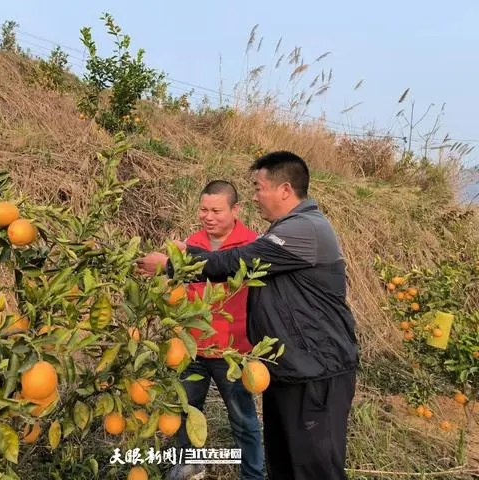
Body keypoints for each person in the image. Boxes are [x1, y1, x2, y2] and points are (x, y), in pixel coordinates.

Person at [137, 151, 359, 480]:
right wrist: (190, 253)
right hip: (289, 368)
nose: (255, 197)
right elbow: (234, 258)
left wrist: (172, 265)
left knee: (314, 468)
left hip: (316, 372)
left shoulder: (304, 229)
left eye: (258, 188)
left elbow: (238, 261)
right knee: (284, 464)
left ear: (284, 189)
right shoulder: (285, 230)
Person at [167, 180, 264, 480]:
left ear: (235, 209)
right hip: (193, 347)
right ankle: (188, 466)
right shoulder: (191, 244)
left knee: (243, 419)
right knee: (187, 410)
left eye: (216, 210)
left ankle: (253, 473)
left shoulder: (252, 244)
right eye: (203, 209)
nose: (208, 216)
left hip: (233, 351)